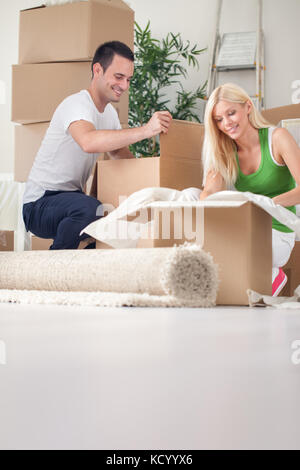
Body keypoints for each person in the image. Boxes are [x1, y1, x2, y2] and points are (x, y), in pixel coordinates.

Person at [22, 41, 172, 250]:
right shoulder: (76, 104)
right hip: (39, 204)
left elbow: (119, 154)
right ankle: (52, 270)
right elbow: (88, 141)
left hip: (71, 200)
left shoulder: (109, 114)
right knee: (91, 209)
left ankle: (84, 274)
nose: (125, 85)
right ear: (97, 70)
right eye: (119, 77)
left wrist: (149, 187)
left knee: (109, 219)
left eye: (128, 79)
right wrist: (146, 130)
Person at [200, 83, 300, 296]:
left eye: (231, 113)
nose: (226, 123)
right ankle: (264, 275)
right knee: (190, 195)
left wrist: (265, 205)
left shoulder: (277, 138)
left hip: (277, 231)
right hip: (245, 227)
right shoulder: (224, 151)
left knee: (234, 246)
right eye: (219, 119)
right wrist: (204, 202)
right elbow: (209, 192)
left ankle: (269, 275)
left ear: (247, 107)